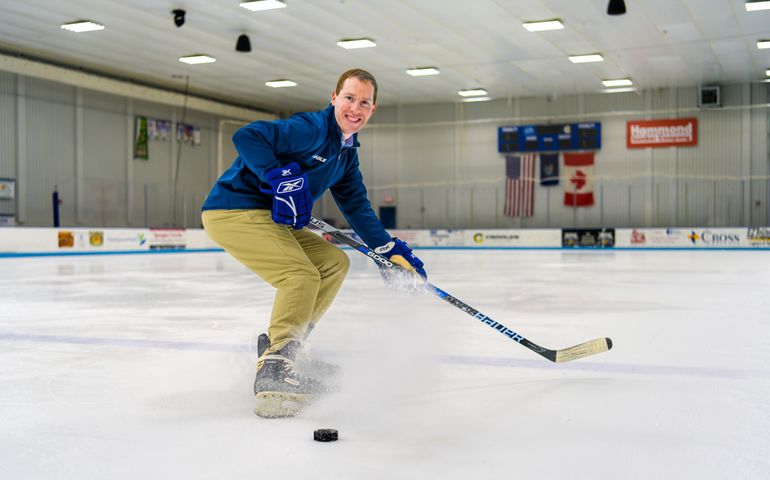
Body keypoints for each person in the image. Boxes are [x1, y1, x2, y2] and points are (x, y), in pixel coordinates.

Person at [201, 68, 427, 417]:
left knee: (335, 263)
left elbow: (355, 204)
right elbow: (248, 136)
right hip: (233, 210)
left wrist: (387, 250)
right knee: (300, 275)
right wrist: (280, 178)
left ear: (373, 108)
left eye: (364, 102)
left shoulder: (345, 153)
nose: (356, 107)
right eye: (349, 98)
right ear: (334, 98)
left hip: (270, 218)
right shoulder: (311, 129)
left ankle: (292, 351)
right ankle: (277, 363)